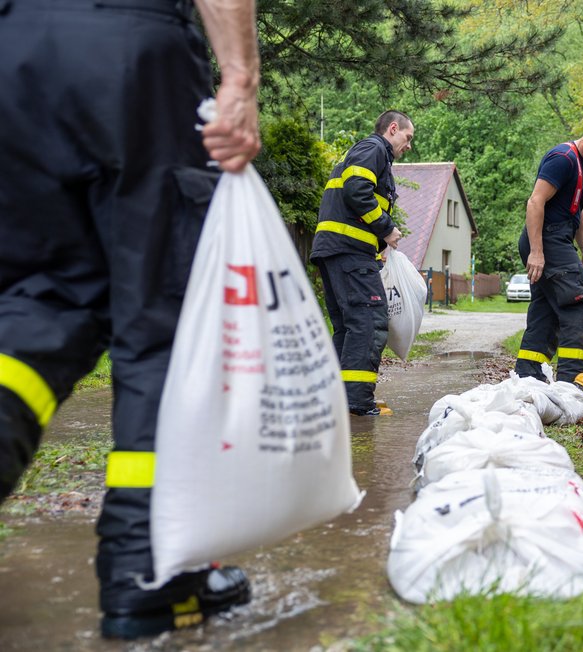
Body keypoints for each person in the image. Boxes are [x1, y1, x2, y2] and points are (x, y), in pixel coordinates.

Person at [0, 0, 260, 639]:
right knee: (166, 326)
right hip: (133, 54)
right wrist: (239, 79)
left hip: (17, 54)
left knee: (36, 306)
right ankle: (149, 574)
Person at [311, 111, 411, 416]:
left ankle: (339, 399)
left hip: (339, 251)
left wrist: (378, 244)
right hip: (348, 251)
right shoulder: (374, 149)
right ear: (393, 129)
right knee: (369, 321)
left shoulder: (368, 153)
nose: (408, 146)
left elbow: (354, 199)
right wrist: (386, 228)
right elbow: (357, 190)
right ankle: (356, 402)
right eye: (407, 138)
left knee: (348, 326)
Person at [515, 119, 583, 386]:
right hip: (546, 239)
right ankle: (572, 380)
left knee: (547, 308)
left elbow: (578, 211)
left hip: (558, 237)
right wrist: (537, 252)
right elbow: (535, 202)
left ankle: (528, 374)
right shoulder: (562, 158)